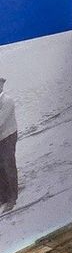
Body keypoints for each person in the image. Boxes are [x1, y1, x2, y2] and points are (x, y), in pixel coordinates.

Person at [0, 77, 18, 213]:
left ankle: (13, 198)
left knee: (9, 166)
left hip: (8, 137)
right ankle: (3, 197)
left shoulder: (7, 101)